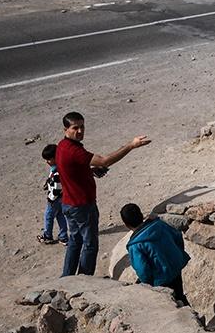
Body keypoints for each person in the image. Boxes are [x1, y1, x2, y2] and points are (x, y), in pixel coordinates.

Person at [55, 111, 150, 277]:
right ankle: (85, 280)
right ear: (65, 129)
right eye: (75, 128)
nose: (80, 131)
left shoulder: (62, 146)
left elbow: (70, 169)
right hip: (82, 205)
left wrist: (89, 171)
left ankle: (67, 277)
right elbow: (105, 160)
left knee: (75, 242)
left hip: (68, 203)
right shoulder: (74, 150)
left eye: (82, 127)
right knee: (90, 244)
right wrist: (131, 145)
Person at [120, 203, 190, 305]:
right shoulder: (160, 225)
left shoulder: (135, 245)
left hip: (160, 279)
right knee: (179, 294)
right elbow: (177, 236)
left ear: (126, 225)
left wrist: (148, 285)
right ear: (141, 215)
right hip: (175, 268)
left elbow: (143, 270)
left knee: (169, 303)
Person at [37, 144, 67, 246]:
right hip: (62, 199)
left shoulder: (57, 172)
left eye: (48, 159)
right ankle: (63, 237)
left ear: (55, 158)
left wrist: (51, 199)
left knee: (48, 217)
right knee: (61, 216)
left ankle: (47, 236)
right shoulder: (59, 167)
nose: (47, 162)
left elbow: (57, 188)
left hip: (54, 200)